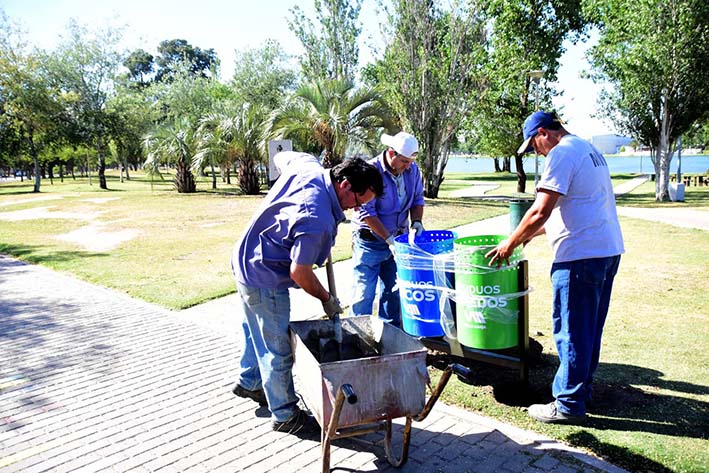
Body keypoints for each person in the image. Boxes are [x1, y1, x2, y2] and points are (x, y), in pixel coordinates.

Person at [486, 111, 624, 424]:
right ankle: (581, 391)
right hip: (606, 251)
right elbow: (572, 209)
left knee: (571, 330)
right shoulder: (587, 149)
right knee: (589, 330)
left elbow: (540, 211)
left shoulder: (560, 154)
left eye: (533, 144)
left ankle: (567, 405)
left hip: (580, 257)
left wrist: (509, 244)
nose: (535, 151)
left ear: (544, 132)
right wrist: (525, 239)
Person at [231, 156, 384, 434]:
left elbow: (282, 157)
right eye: (358, 201)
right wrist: (327, 299)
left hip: (246, 257)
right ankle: (285, 414)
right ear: (345, 184)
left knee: (257, 328)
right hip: (264, 273)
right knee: (277, 346)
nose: (357, 209)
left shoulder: (307, 166)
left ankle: (251, 381)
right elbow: (300, 273)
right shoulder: (317, 219)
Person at [350, 131, 426, 326]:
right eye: (404, 161)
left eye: (410, 161)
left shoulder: (412, 169)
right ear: (391, 154)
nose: (408, 166)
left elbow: (417, 199)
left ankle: (390, 334)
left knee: (393, 291)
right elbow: (366, 213)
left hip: (398, 241)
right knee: (363, 293)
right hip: (370, 242)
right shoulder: (371, 171)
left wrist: (416, 222)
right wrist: (388, 239)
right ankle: (359, 335)